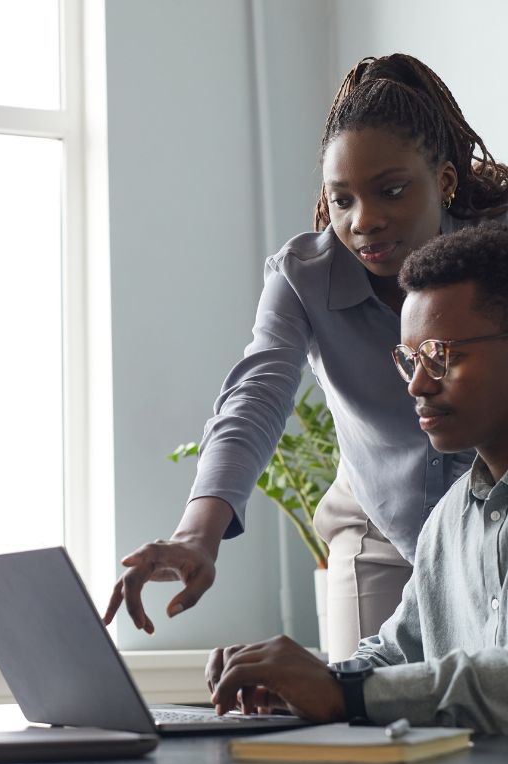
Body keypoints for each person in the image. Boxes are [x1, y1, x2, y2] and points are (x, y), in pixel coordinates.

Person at [103, 54, 508, 661]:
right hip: (380, 523)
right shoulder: (304, 278)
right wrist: (198, 535)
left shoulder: (496, 256)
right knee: (358, 711)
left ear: (445, 181)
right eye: (340, 200)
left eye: (391, 191)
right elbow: (256, 397)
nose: (364, 221)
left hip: (492, 512)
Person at [205, 222, 508, 734]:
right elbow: (397, 654)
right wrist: (300, 679)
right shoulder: (450, 520)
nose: (417, 384)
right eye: (409, 359)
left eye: (441, 356)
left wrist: (346, 694)